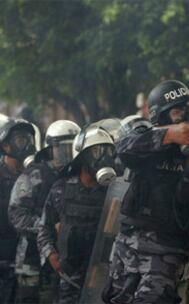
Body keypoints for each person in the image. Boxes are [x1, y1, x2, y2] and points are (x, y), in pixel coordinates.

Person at [102, 80, 189, 304]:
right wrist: (168, 135)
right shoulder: (146, 136)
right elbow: (124, 150)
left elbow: (187, 196)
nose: (185, 117)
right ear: (159, 116)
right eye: (177, 111)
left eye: (188, 111)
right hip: (128, 243)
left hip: (166, 249)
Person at [37, 126, 116, 304]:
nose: (104, 157)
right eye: (97, 152)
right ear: (82, 156)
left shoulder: (114, 191)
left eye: (108, 151)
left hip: (102, 279)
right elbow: (45, 227)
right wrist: (51, 255)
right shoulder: (61, 188)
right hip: (69, 280)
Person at [9, 120, 80, 304]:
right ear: (50, 149)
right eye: (63, 148)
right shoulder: (35, 175)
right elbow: (16, 214)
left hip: (68, 259)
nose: (68, 154)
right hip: (32, 260)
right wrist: (47, 227)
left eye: (72, 148)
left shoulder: (79, 175)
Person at [0, 116, 37, 304]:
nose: (28, 146)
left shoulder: (36, 177)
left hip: (29, 264)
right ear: (6, 146)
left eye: (30, 140)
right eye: (21, 140)